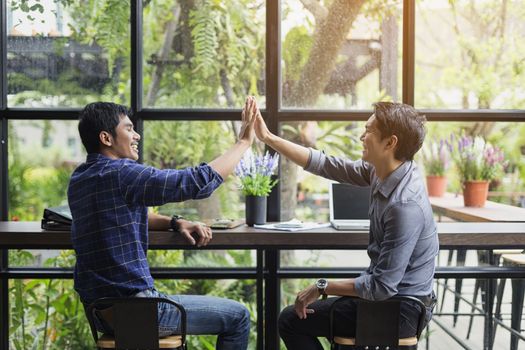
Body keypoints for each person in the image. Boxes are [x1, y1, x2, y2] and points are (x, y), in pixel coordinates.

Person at [68, 98, 258, 350]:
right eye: (128, 129)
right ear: (106, 138)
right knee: (238, 317)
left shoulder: (80, 179)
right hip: (137, 312)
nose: (136, 136)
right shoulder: (122, 173)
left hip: (101, 314)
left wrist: (175, 222)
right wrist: (243, 142)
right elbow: (196, 183)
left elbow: (123, 215)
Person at [253, 101, 439, 349]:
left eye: (369, 131)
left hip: (400, 310)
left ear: (390, 142)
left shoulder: (404, 205)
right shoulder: (385, 171)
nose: (362, 136)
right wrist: (268, 138)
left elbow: (381, 287)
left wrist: (322, 286)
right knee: (300, 317)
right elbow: (327, 165)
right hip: (390, 300)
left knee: (290, 320)